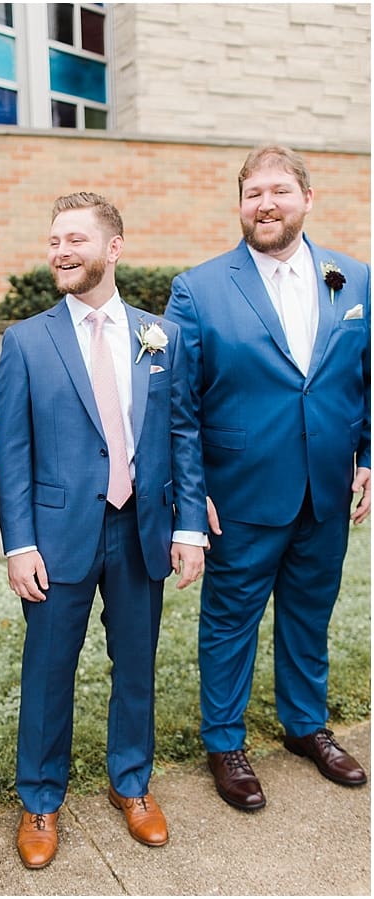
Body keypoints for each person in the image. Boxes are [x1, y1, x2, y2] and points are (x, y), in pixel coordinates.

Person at [0, 193, 207, 869]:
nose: (61, 250)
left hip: (143, 527)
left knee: (137, 667)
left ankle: (132, 784)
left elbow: (181, 433)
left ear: (113, 248)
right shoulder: (26, 340)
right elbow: (14, 452)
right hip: (57, 537)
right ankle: (39, 797)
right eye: (55, 239)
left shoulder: (160, 336)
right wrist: (19, 542)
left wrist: (192, 525)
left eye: (76, 239)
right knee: (49, 671)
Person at [164, 145, 370, 811]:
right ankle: (225, 740)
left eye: (280, 190)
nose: (267, 203)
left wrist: (368, 457)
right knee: (230, 621)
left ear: (307, 199)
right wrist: (192, 501)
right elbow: (178, 408)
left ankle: (306, 725)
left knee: (311, 612)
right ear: (241, 204)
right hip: (241, 494)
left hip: (327, 486)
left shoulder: (355, 279)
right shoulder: (199, 288)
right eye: (254, 192)